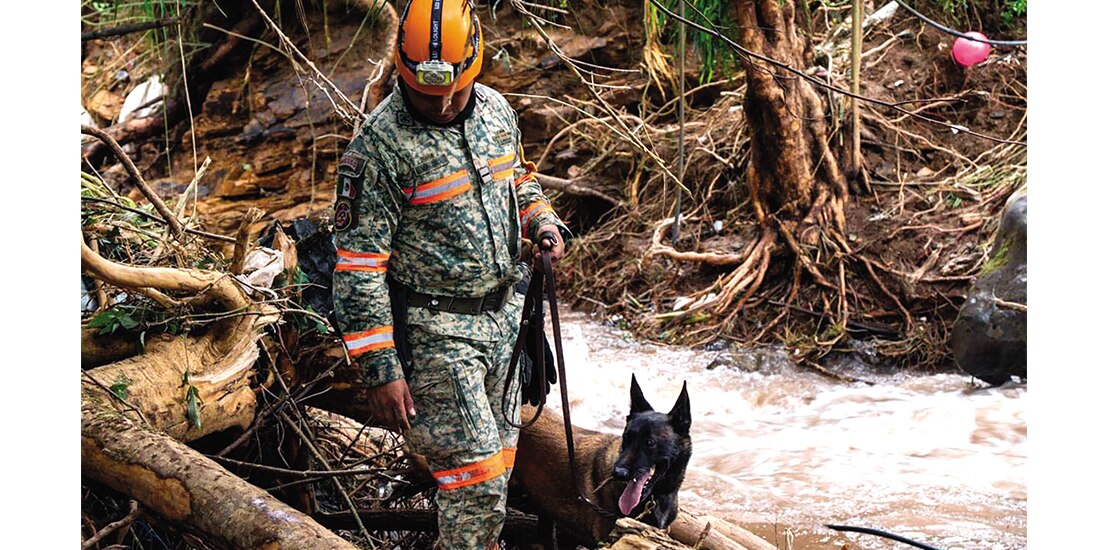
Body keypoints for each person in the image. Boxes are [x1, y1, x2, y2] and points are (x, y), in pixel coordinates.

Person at [330, 0, 568, 547]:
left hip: (504, 323)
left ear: (476, 65)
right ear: (401, 68)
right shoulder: (378, 149)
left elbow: (520, 184)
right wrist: (380, 369)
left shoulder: (495, 111)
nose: (441, 105)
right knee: (477, 487)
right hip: (436, 337)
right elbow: (358, 269)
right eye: (427, 93)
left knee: (497, 473)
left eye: (453, 92)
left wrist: (543, 224)